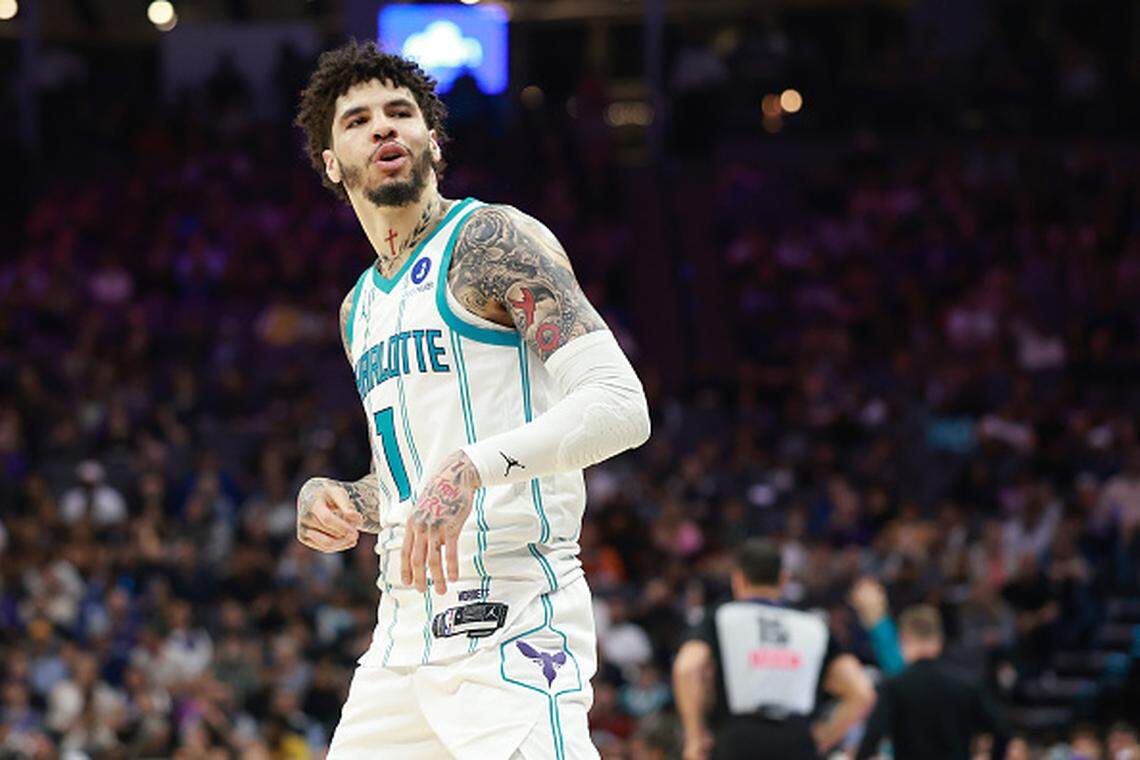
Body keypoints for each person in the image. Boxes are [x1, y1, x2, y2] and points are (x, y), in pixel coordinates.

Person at [290, 41, 651, 758]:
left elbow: (619, 405)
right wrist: (344, 500)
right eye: (358, 120)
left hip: (510, 611)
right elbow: (407, 484)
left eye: (400, 113)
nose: (384, 128)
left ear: (433, 140)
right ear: (332, 164)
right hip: (400, 632)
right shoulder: (358, 307)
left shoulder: (490, 240)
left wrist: (471, 468)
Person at [672, 539, 875, 760]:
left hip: (739, 738)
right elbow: (862, 693)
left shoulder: (722, 617)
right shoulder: (813, 626)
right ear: (784, 579)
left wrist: (695, 736)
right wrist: (820, 738)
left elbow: (687, 667)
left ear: (738, 580)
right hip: (796, 738)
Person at [856, 605, 1010, 760]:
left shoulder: (894, 686)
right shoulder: (966, 684)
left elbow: (872, 737)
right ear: (939, 640)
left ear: (902, 640)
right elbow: (1002, 730)